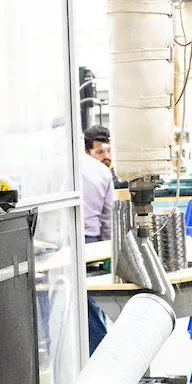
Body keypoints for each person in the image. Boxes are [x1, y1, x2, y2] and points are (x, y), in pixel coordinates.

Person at [81, 124, 115, 355]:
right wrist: (110, 249)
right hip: (89, 241)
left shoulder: (71, 167)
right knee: (92, 301)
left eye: (108, 151)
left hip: (66, 240)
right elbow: (108, 218)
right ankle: (101, 354)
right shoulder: (102, 173)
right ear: (87, 151)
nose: (106, 157)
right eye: (100, 152)